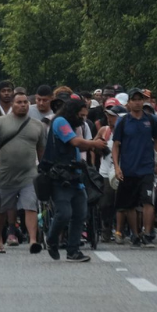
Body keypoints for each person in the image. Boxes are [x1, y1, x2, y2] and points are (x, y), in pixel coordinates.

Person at [42, 96, 109, 262]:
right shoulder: (60, 122)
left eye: (85, 116)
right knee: (64, 213)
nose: (83, 118)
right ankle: (51, 240)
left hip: (74, 174)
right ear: (72, 112)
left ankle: (73, 251)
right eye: (81, 115)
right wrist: (95, 144)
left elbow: (80, 145)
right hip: (59, 176)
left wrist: (94, 146)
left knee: (80, 213)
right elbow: (75, 142)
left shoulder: (73, 125)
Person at [0, 89, 45, 254]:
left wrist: (44, 170)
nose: (23, 105)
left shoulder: (37, 125)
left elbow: (41, 151)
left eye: (25, 102)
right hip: (5, 174)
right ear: (12, 104)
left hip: (29, 175)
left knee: (30, 205)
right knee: (2, 209)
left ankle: (33, 240)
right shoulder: (1, 122)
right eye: (19, 102)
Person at [112, 89, 157, 247]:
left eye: (140, 99)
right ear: (129, 103)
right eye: (134, 99)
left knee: (148, 201)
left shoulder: (151, 120)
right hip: (128, 168)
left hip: (146, 167)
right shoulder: (123, 121)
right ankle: (135, 234)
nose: (137, 102)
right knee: (130, 204)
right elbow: (115, 145)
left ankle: (147, 233)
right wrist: (117, 166)